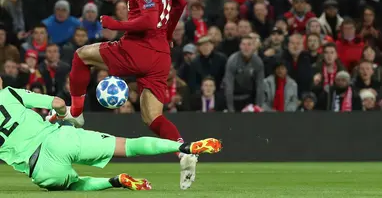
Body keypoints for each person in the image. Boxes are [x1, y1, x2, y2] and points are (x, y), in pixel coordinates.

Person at [59, 0, 195, 189]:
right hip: (161, 55)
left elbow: (148, 20)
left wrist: (115, 25)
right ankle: (183, 151)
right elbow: (180, 4)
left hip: (138, 49)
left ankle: (76, 113)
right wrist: (168, 35)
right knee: (153, 117)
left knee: (81, 55)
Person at [0, 77, 222, 191]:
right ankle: (182, 148)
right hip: (60, 139)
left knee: (74, 185)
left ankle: (114, 181)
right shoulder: (9, 93)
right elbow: (58, 103)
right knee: (128, 145)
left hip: (39, 167)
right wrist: (62, 114)